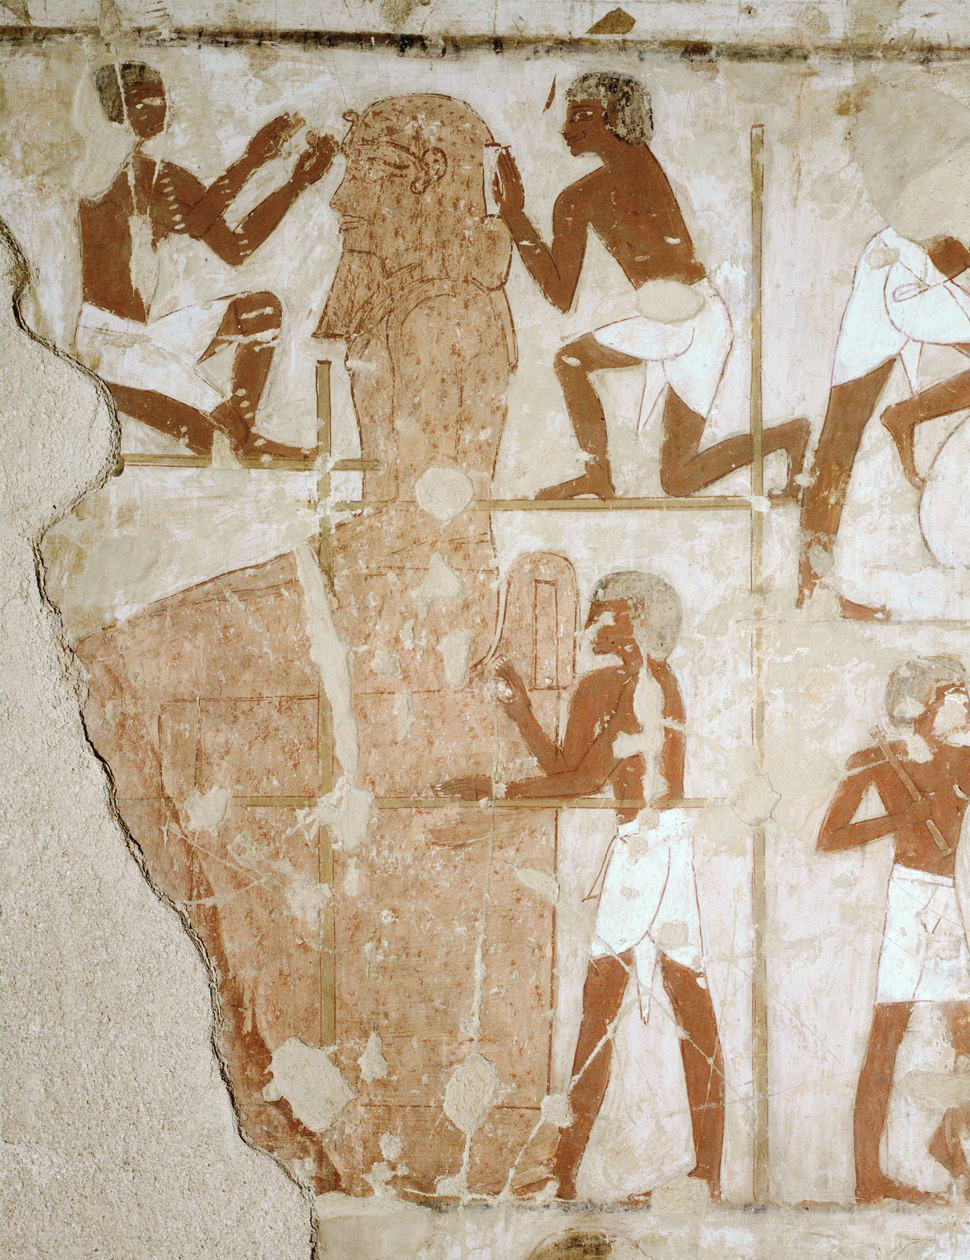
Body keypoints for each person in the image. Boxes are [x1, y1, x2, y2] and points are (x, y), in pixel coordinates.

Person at [439, 570, 724, 1201]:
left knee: (637, 1009)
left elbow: (580, 782)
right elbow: (566, 770)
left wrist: (492, 790)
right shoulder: (603, 685)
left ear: (639, 620)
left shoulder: (649, 683)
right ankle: (584, 1174)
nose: (592, 622)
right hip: (641, 850)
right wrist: (521, 714)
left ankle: (599, 1174)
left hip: (654, 851)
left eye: (607, 612)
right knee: (650, 1008)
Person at [492, 71, 808, 501]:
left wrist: (515, 216)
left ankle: (597, 474)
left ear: (614, 118)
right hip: (701, 320)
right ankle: (788, 436)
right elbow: (562, 294)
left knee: (571, 360)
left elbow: (559, 293)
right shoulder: (596, 187)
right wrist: (519, 215)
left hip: (690, 319)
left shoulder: (608, 182)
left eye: (581, 116)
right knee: (679, 479)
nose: (567, 129)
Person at [76, 62, 335, 458]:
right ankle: (236, 435)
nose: (159, 108)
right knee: (213, 439)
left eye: (160, 99)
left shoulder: (166, 177)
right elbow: (198, 216)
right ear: (117, 111)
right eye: (143, 101)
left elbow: (236, 248)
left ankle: (246, 436)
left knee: (262, 310)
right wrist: (252, 160)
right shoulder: (104, 175)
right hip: (106, 346)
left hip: (148, 339)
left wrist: (294, 183)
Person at [817, 656, 970, 1201]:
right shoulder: (877, 759)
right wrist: (901, 818)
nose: (965, 701)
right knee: (887, 1035)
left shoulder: (963, 757)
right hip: (909, 898)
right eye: (954, 692)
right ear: (924, 702)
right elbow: (830, 837)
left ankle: (948, 1142)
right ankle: (869, 1177)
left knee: (964, 1033)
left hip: (949, 897)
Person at [796, 230, 970, 614]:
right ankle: (813, 591)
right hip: (898, 268)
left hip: (903, 264)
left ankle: (906, 415)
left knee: (836, 447)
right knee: (836, 447)